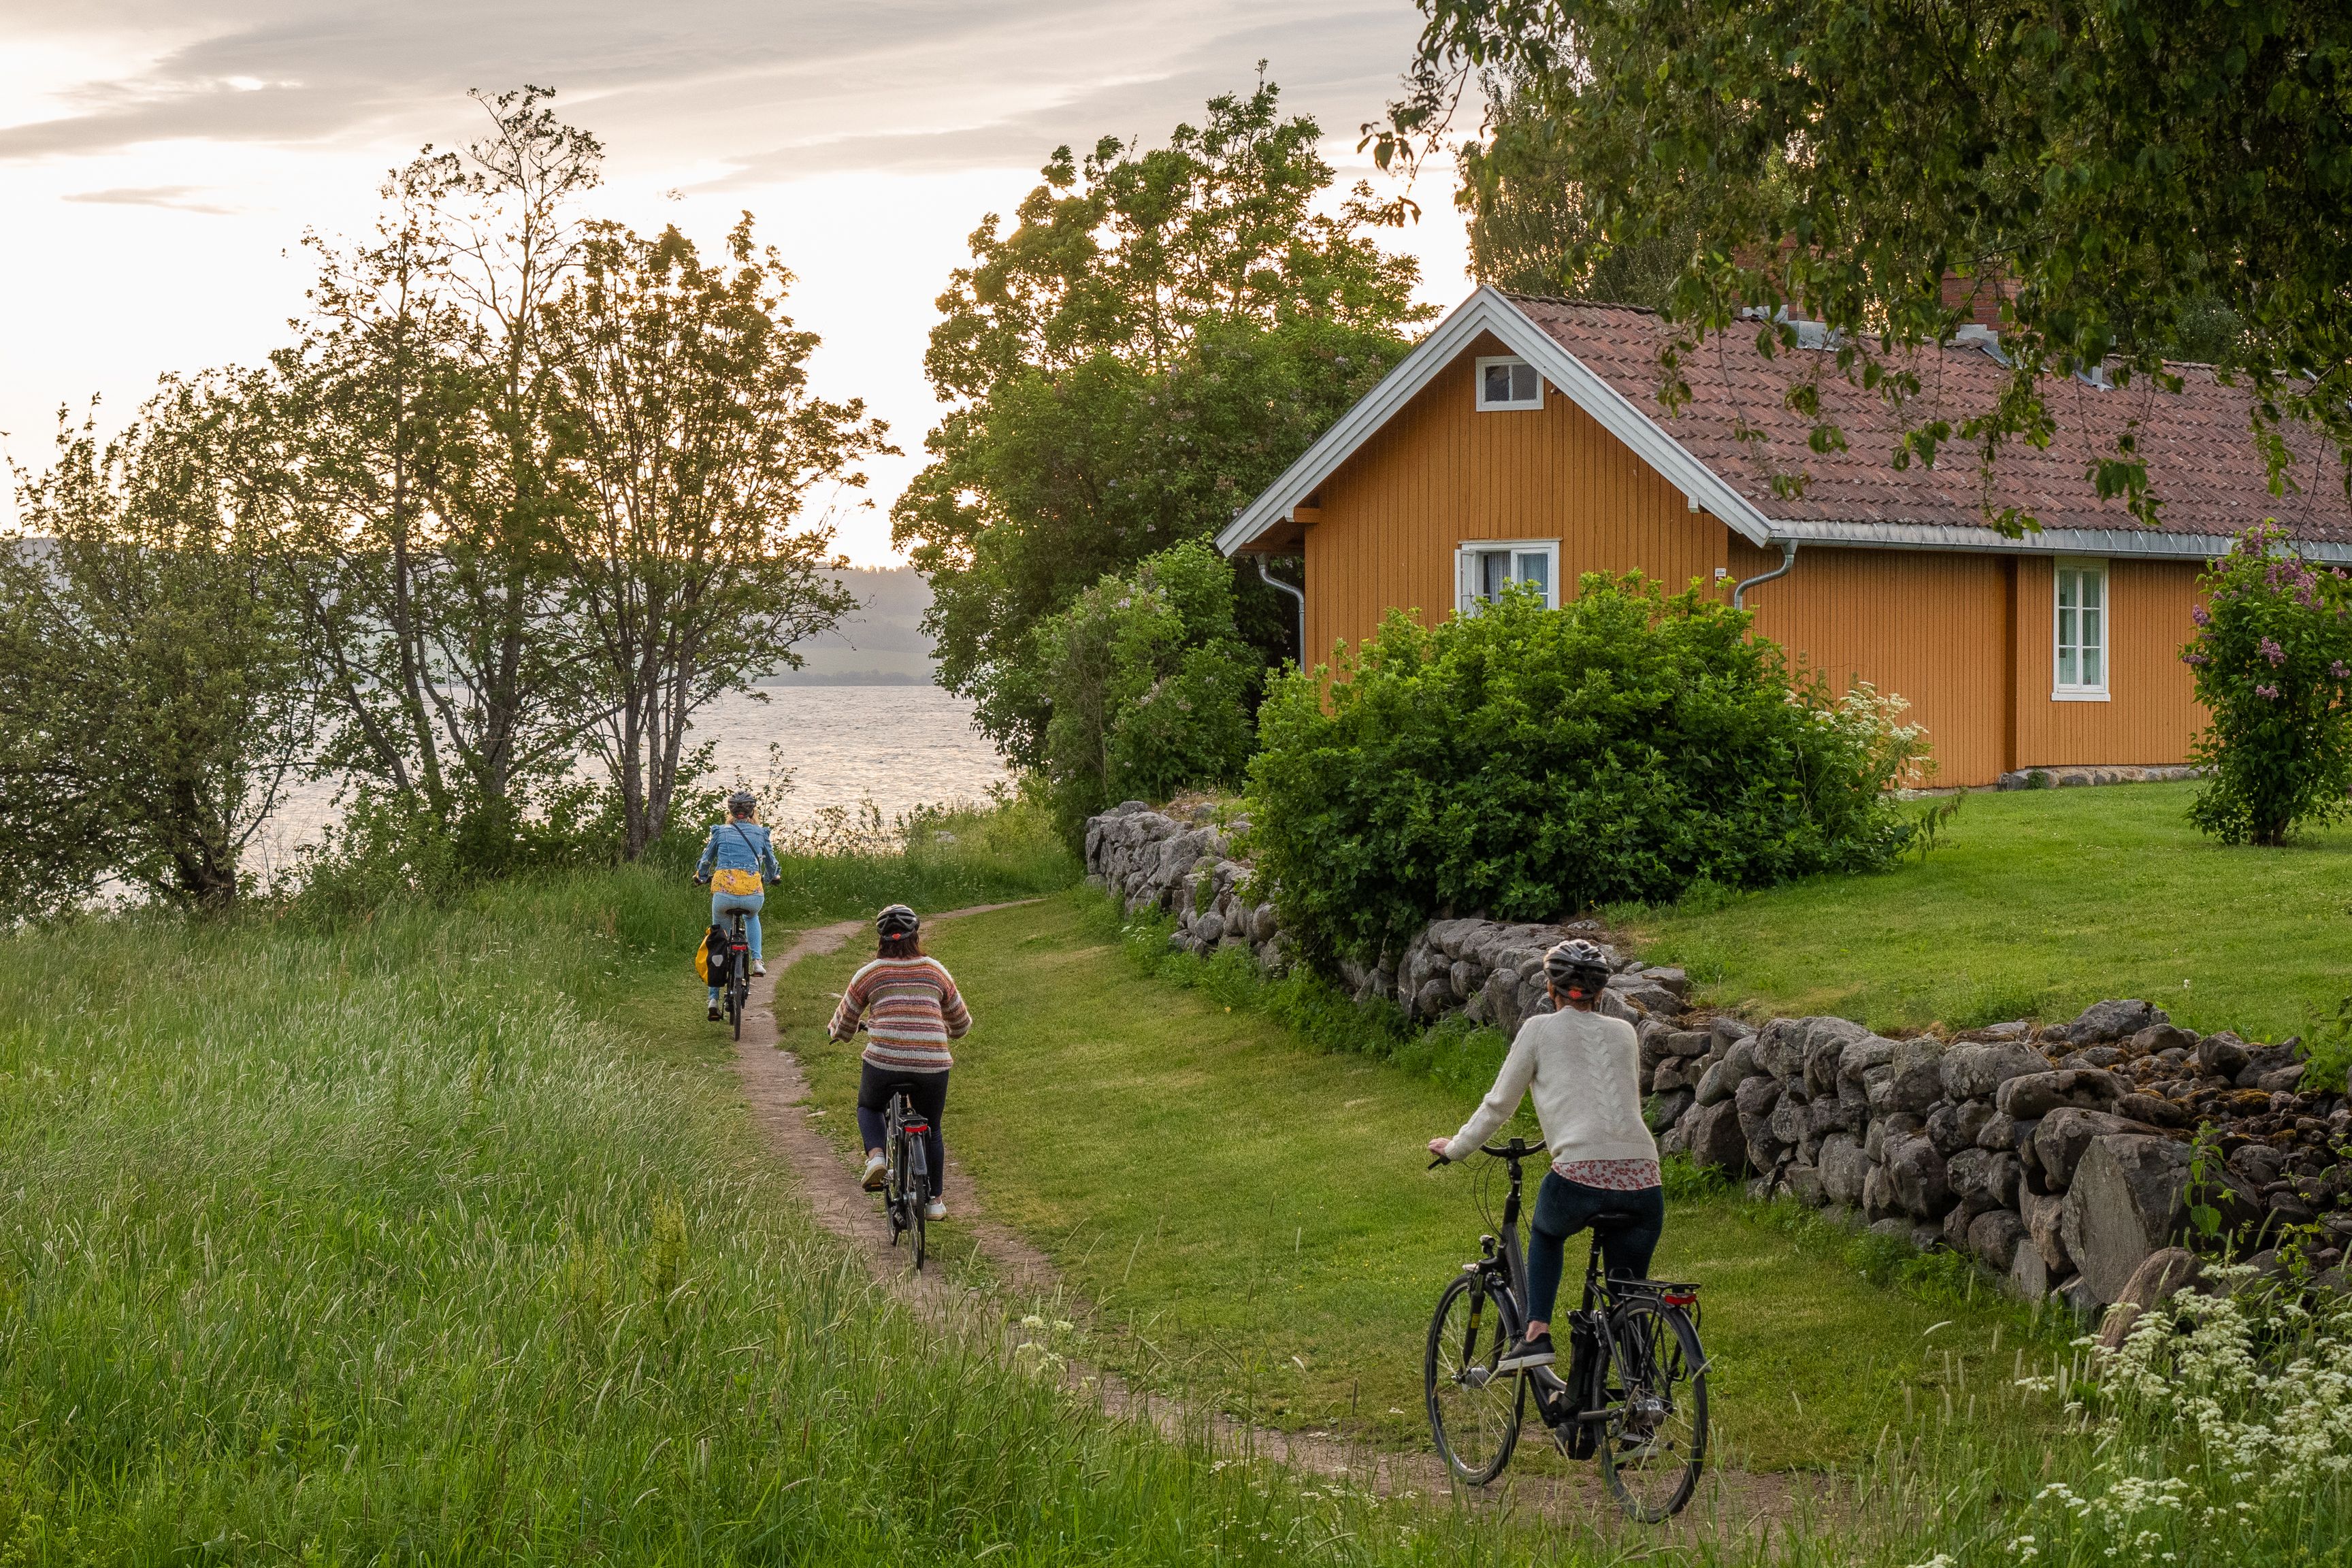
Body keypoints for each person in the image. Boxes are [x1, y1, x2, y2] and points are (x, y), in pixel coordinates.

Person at [1426, 938, 1662, 1372]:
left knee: (1547, 1232)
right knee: (1626, 1295)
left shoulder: (1538, 1029)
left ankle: (1536, 1333)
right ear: (1601, 992)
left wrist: (1456, 1148)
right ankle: (1641, 1394)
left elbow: (1499, 1105)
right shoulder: (1625, 1032)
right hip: (1645, 1178)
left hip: (1580, 1175)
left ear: (1551, 989)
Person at [830, 904, 970, 1222]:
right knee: (932, 1128)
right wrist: (943, 1031)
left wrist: (838, 1032)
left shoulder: (870, 973)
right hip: (933, 1065)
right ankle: (935, 1201)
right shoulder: (936, 971)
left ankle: (877, 1157)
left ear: (881, 939)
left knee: (869, 1107)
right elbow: (961, 1024)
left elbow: (845, 1024)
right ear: (915, 936)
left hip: (884, 1062)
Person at [696, 791, 781, 1021]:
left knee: (718, 939)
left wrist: (701, 876)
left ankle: (713, 999)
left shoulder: (720, 832)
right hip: (752, 894)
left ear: (731, 811)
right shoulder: (761, 833)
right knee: (752, 917)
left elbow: (706, 860)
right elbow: (771, 863)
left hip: (724, 894)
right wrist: (773, 877)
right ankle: (757, 961)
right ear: (752, 811)